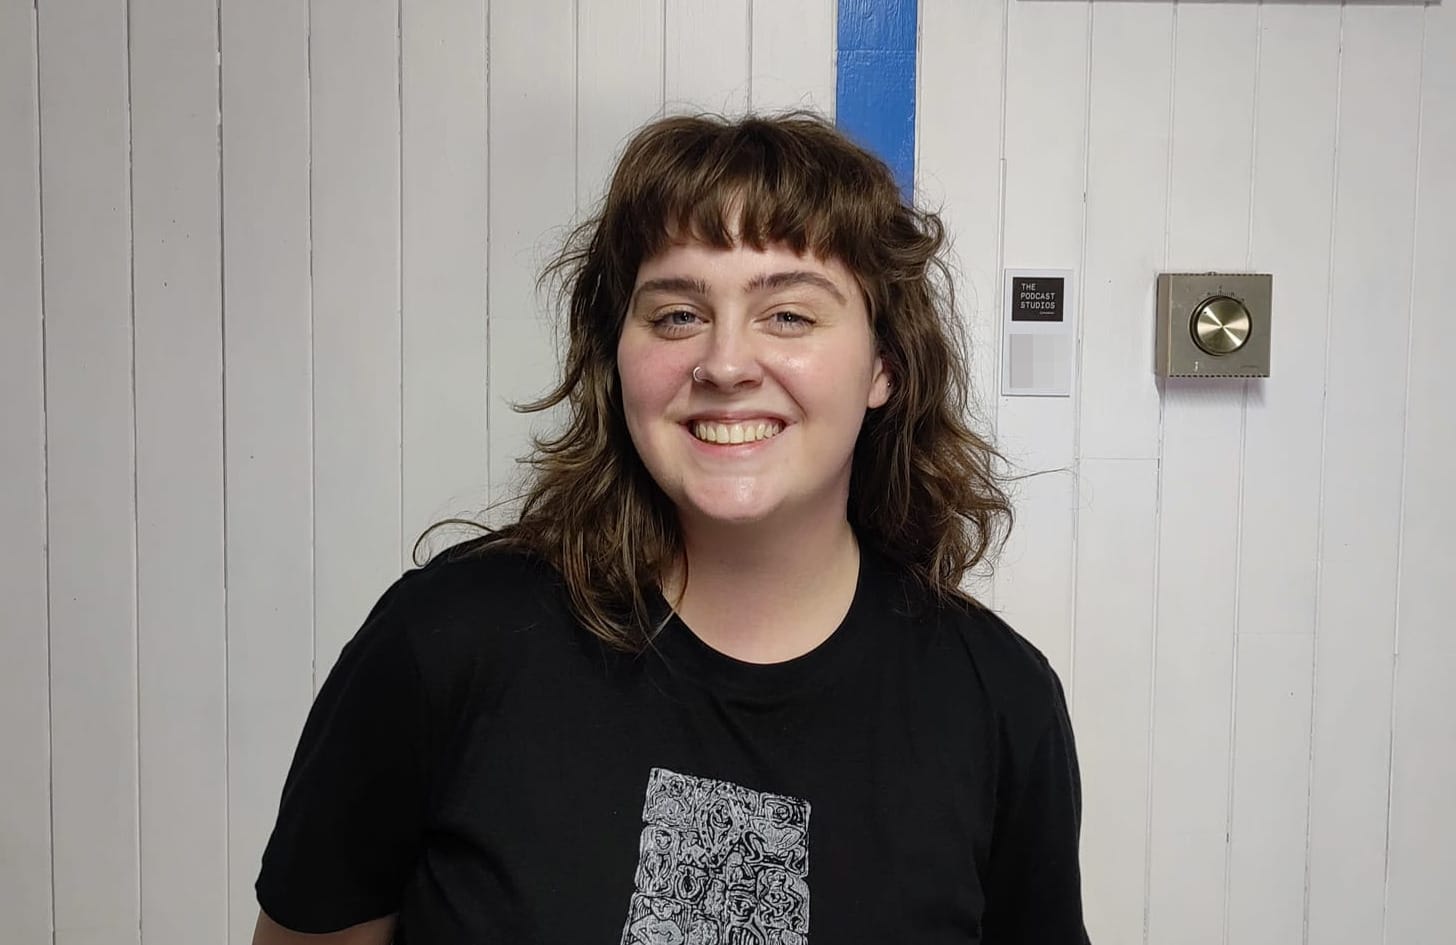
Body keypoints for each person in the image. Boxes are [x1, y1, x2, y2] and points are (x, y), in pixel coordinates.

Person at [251, 111, 1091, 945]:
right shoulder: (444, 641)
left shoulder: (998, 704)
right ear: (616, 355)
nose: (724, 363)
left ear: (884, 367)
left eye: (789, 315)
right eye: (678, 315)